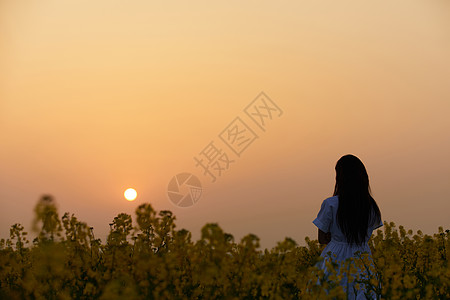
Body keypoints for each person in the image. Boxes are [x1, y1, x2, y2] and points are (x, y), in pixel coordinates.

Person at [312, 154, 383, 299]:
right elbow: (367, 234)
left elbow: (321, 238)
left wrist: (336, 237)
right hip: (363, 257)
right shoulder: (371, 206)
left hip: (335, 257)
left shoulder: (331, 204)